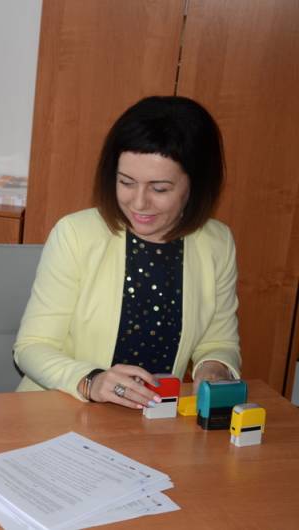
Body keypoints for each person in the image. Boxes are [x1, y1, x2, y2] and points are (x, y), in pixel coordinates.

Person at [13, 96, 240, 408]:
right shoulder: (76, 234)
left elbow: (219, 341)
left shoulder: (216, 243)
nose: (139, 202)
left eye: (159, 189)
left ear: (195, 185)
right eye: (126, 182)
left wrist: (214, 367)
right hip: (61, 411)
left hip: (154, 418)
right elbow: (31, 346)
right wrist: (91, 381)